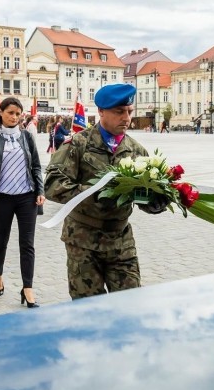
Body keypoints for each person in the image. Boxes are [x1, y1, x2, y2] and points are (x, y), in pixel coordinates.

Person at [44, 83, 169, 300]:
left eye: (129, 112)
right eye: (119, 112)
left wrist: (155, 202)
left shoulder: (137, 150)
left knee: (128, 304)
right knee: (88, 309)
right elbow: (52, 185)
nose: (126, 118)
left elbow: (141, 195)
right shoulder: (78, 144)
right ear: (101, 112)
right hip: (83, 241)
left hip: (121, 241)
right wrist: (97, 194)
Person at [0, 97, 46, 306]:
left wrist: (40, 190)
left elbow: (36, 165)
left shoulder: (26, 136)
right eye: (10, 113)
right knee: (1, 241)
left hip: (27, 197)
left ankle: (27, 288)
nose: (14, 117)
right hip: (2, 199)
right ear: (0, 112)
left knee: (27, 244)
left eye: (18, 114)